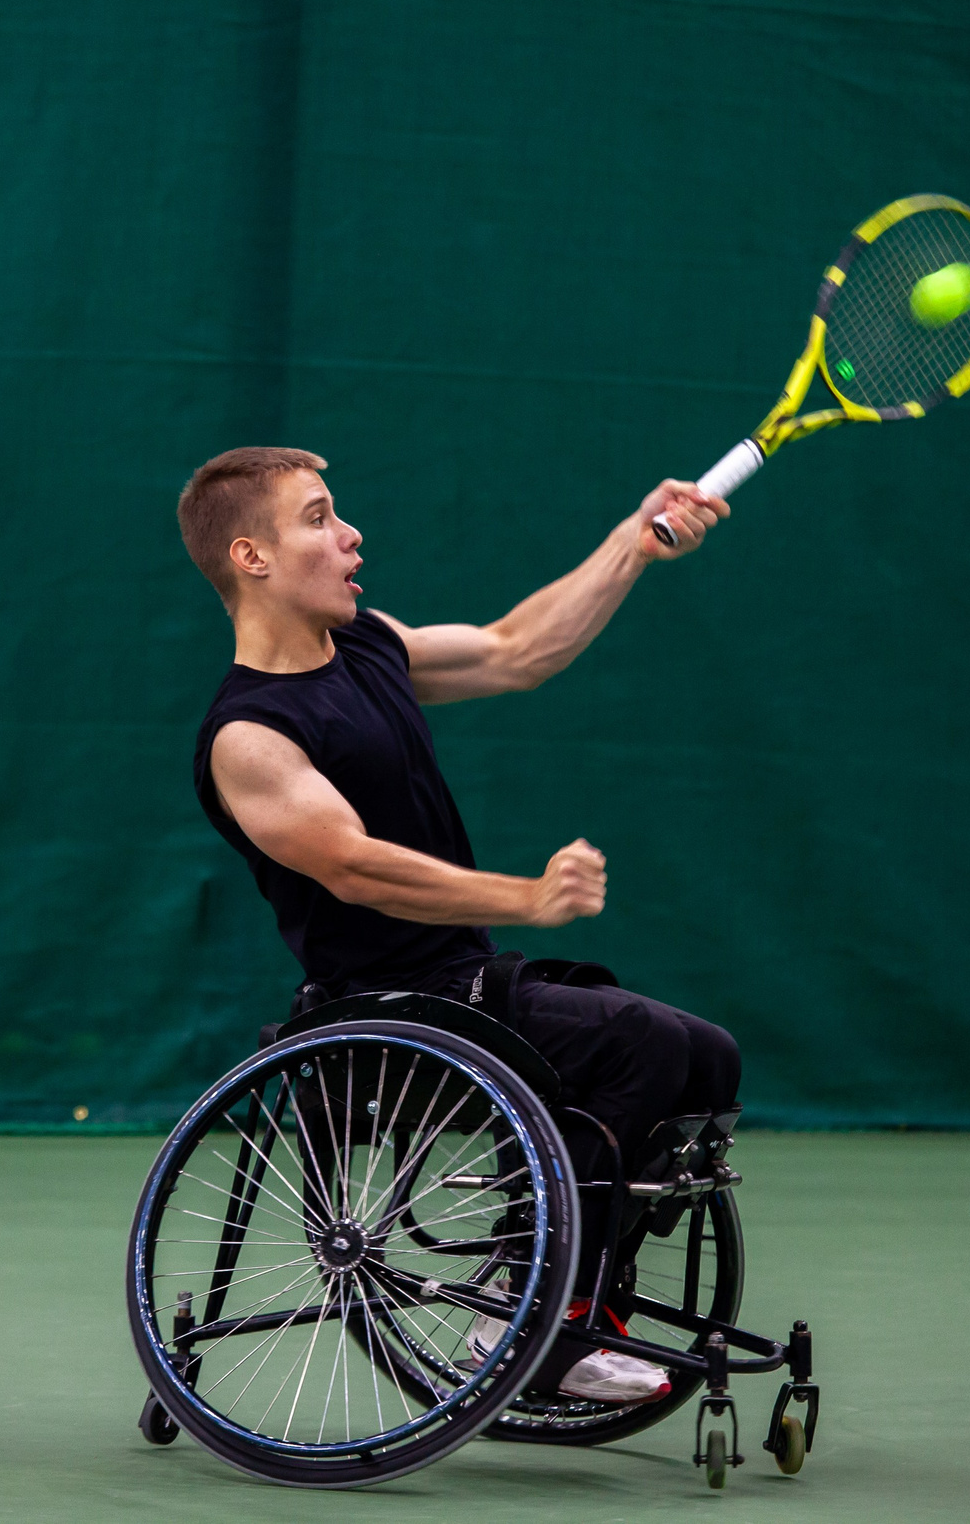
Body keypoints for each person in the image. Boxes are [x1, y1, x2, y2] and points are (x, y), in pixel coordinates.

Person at [179, 444, 742, 1404]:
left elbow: (518, 649)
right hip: (382, 1007)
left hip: (465, 984)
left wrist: (631, 545)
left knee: (705, 1053)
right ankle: (523, 1312)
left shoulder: (367, 646)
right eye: (317, 517)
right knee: (635, 1045)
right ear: (252, 557)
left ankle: (574, 1292)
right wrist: (523, 896)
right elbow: (352, 866)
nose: (350, 533)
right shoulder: (250, 734)